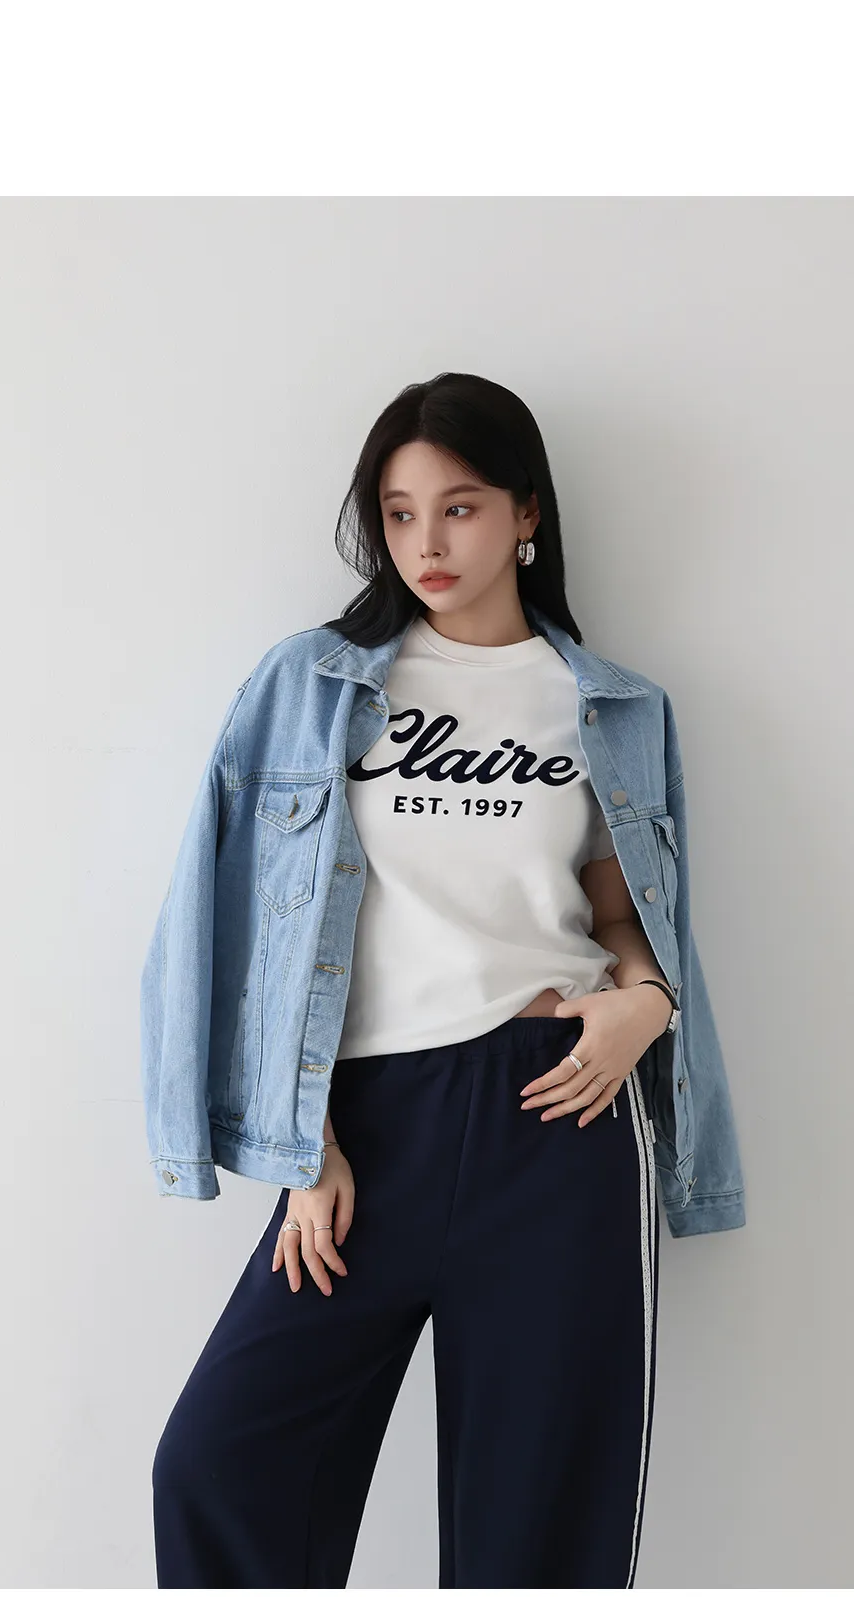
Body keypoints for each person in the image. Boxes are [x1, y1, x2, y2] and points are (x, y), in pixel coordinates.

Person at [141, 370, 746, 1589]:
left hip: (560, 1114)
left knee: (536, 1531)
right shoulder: (309, 686)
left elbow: (623, 918)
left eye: (459, 508)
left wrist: (646, 1003)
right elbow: (227, 917)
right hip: (369, 1125)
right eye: (399, 512)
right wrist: (302, 1144)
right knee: (220, 1467)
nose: (425, 542)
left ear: (526, 513)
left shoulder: (609, 707)